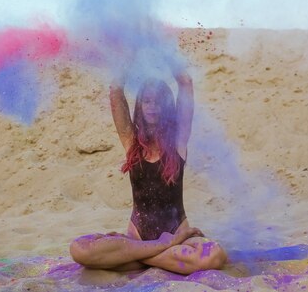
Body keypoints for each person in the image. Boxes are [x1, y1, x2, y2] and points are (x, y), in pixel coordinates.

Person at [69, 67, 227, 275]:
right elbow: (115, 89)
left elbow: (185, 81)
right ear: (140, 106)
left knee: (214, 255)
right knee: (78, 249)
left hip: (176, 233)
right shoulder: (131, 142)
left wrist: (163, 51)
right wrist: (128, 58)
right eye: (147, 101)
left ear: (167, 105)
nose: (153, 107)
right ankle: (159, 250)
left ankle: (137, 258)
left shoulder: (177, 141)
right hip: (141, 238)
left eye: (159, 101)